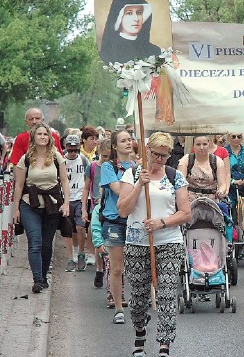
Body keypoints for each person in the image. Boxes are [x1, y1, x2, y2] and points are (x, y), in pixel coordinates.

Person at [117, 132, 191, 357]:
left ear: (169, 156)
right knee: (138, 298)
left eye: (163, 156)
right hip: (137, 243)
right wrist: (140, 184)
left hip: (169, 242)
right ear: (147, 151)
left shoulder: (174, 176)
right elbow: (122, 210)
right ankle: (140, 330)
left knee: (167, 294)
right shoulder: (131, 174)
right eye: (155, 154)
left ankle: (164, 347)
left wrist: (162, 222)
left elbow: (186, 213)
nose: (158, 159)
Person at [12, 123, 70, 293]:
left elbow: (65, 181)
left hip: (52, 205)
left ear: (49, 138)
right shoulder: (26, 159)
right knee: (35, 242)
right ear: (33, 137)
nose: (43, 137)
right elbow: (19, 185)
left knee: (46, 244)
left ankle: (44, 277)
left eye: (46, 134)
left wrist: (66, 203)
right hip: (30, 204)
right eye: (39, 134)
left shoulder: (57, 157)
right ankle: (37, 279)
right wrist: (16, 209)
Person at [100, 130, 134, 319]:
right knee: (117, 267)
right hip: (114, 220)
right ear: (115, 146)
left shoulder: (139, 166)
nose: (128, 143)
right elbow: (120, 191)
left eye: (129, 139)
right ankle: (118, 307)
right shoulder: (108, 167)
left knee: (138, 265)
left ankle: (139, 301)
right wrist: (136, 184)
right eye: (123, 141)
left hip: (134, 220)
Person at [99, 0, 161, 64]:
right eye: (129, 13)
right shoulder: (108, 52)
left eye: (139, 13)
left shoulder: (154, 51)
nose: (136, 18)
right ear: (119, 18)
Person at [83, 138, 112, 288]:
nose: (106, 159)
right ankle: (99, 269)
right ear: (99, 152)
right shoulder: (93, 167)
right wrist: (83, 208)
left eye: (109, 156)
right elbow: (86, 188)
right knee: (97, 236)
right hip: (96, 206)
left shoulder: (114, 168)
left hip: (111, 206)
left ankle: (108, 269)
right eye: (104, 156)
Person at [63, 134, 89, 272]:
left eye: (75, 150)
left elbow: (88, 176)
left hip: (79, 197)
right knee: (67, 229)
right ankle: (69, 258)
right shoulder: (61, 161)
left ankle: (81, 253)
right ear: (66, 148)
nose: (73, 153)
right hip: (66, 198)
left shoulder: (83, 160)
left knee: (80, 227)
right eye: (70, 150)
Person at [177, 135, 227, 202]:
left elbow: (223, 184)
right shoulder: (186, 160)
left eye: (204, 144)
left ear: (209, 145)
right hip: (190, 201)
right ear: (193, 146)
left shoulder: (217, 161)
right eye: (198, 144)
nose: (201, 147)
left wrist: (221, 191)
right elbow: (180, 182)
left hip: (211, 202)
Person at [225, 133, 244, 220]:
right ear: (228, 137)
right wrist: (232, 181)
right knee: (231, 217)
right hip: (229, 190)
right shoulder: (224, 151)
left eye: (239, 137)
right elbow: (220, 172)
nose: (236, 139)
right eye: (233, 136)